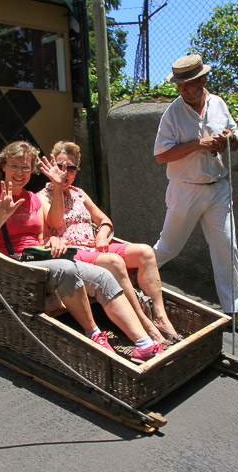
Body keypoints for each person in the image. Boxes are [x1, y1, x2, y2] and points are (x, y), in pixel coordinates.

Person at [0, 141, 163, 363]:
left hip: (39, 258)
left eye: (26, 167)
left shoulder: (32, 199)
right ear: (4, 166)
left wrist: (52, 240)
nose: (20, 173)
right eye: (14, 166)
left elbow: (42, 237)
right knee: (66, 268)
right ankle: (94, 333)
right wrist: (1, 216)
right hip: (12, 265)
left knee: (103, 276)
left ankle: (144, 344)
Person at [38, 141, 182, 345]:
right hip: (72, 253)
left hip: (95, 247)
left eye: (70, 168)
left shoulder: (79, 193)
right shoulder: (43, 196)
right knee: (114, 261)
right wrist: (58, 187)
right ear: (52, 168)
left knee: (145, 252)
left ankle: (160, 317)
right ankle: (144, 323)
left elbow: (105, 221)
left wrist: (102, 235)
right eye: (60, 166)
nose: (65, 172)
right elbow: (55, 222)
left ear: (77, 170)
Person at [153, 54, 238, 330]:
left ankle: (233, 312)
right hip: (185, 191)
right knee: (168, 248)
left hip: (218, 189)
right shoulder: (172, 114)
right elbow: (162, 156)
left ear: (203, 80)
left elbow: (235, 140)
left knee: (227, 248)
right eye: (180, 85)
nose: (185, 89)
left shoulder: (219, 104)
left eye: (189, 83)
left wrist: (228, 140)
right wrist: (198, 144)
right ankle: (126, 278)